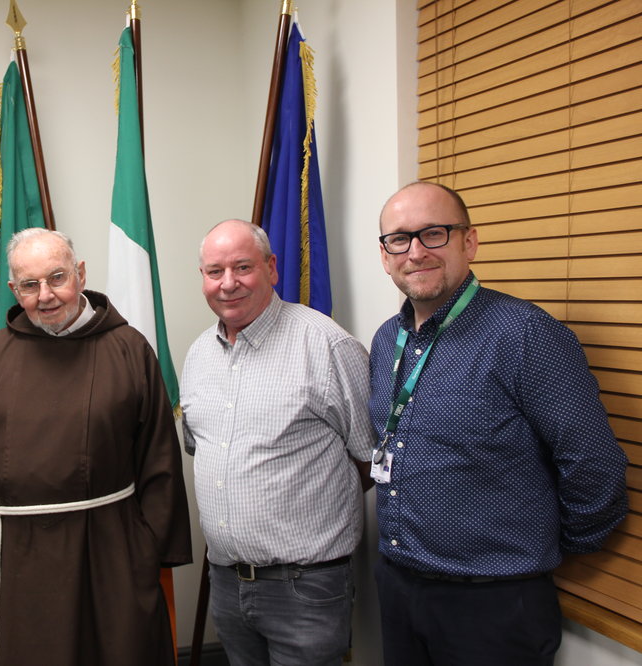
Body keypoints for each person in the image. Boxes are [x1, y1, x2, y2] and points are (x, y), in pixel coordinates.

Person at [370, 181, 628, 665]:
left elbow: (593, 464)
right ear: (385, 256)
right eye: (400, 239)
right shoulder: (388, 340)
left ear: (469, 241)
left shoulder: (526, 335)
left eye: (434, 233)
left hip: (493, 605)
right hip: (400, 588)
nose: (416, 251)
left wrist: (542, 548)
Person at [0, 228, 191, 666]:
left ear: (80, 274)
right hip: (13, 553)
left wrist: (149, 554)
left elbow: (158, 458)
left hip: (107, 550)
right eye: (30, 284)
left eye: (57, 277)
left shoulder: (130, 350)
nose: (46, 295)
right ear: (14, 290)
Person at [180, 219, 373, 666]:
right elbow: (205, 451)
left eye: (242, 267)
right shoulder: (198, 355)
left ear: (272, 268)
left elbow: (368, 461)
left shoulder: (326, 345)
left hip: (304, 586)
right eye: (214, 271)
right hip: (226, 581)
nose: (228, 284)